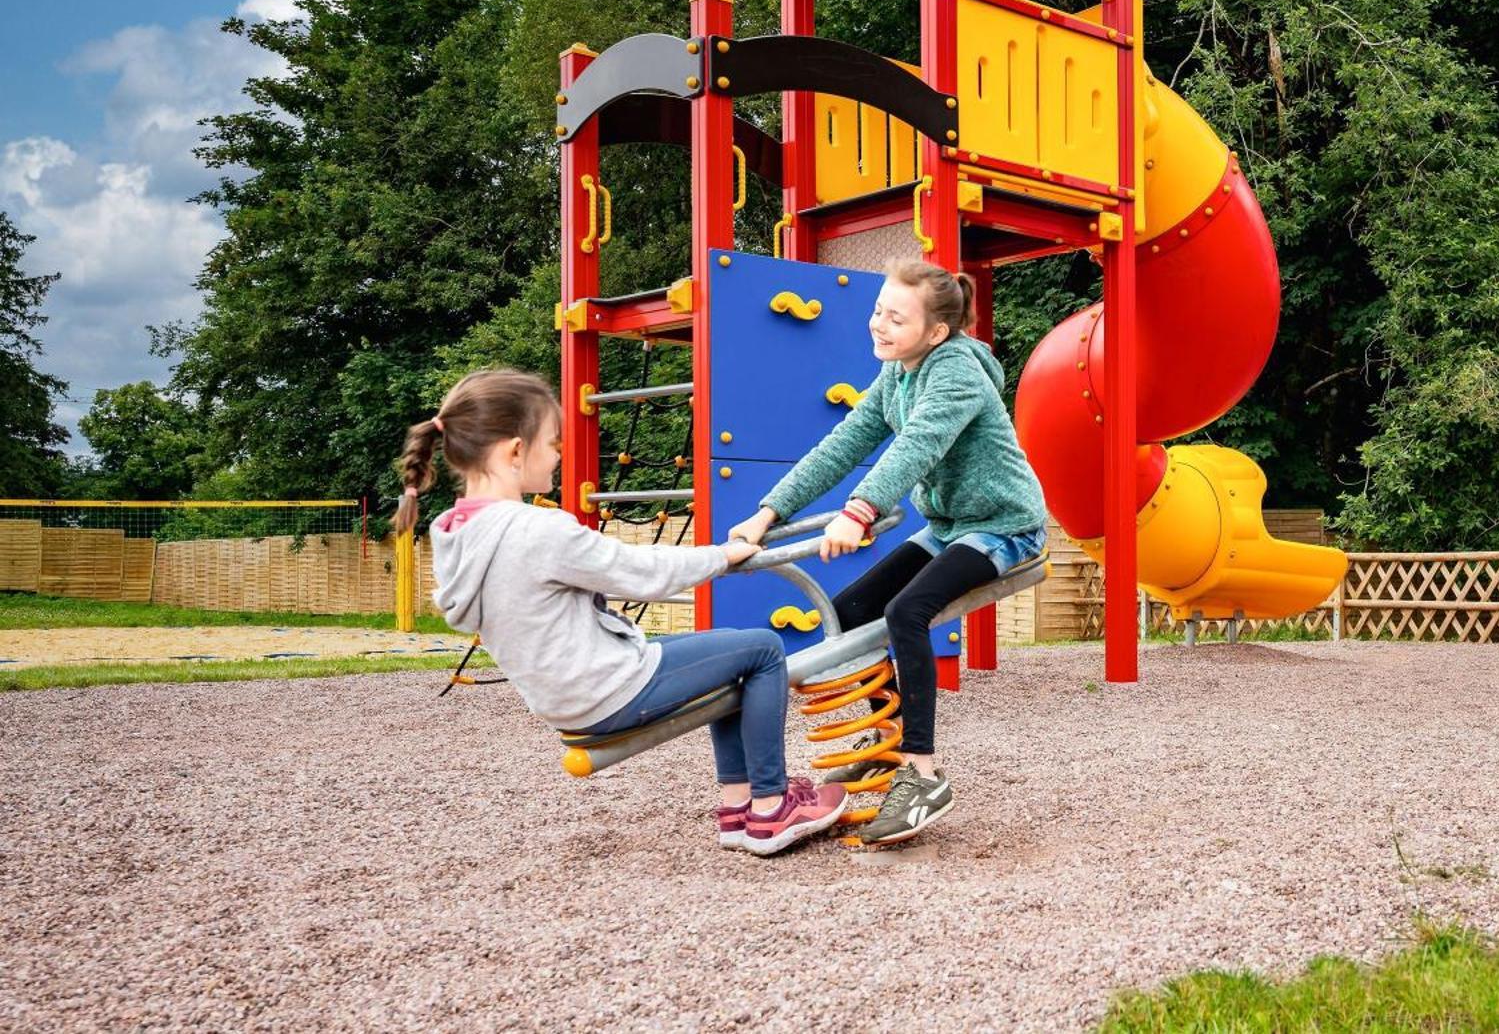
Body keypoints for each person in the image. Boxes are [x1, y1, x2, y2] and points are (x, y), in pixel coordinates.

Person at [405, 368, 848, 857]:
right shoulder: (535, 531)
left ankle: (737, 810)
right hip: (608, 689)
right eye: (552, 443)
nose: (558, 453)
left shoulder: (454, 532)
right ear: (514, 451)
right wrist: (722, 557)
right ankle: (771, 807)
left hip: (565, 699)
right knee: (763, 650)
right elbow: (641, 571)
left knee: (731, 650)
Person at [729, 260, 1049, 846]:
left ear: (936, 332)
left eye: (895, 318)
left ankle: (923, 774)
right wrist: (766, 513)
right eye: (878, 311)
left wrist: (860, 511)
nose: (878, 324)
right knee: (850, 609)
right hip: (950, 525)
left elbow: (917, 446)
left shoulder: (957, 374)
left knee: (907, 612)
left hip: (1003, 526)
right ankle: (885, 751)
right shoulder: (899, 373)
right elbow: (842, 445)